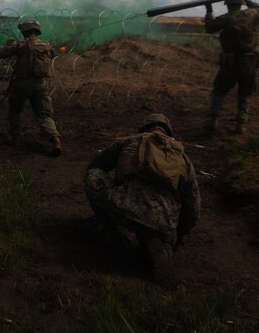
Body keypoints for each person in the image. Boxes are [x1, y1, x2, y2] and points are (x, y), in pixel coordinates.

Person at [84, 113, 200, 283]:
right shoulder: (183, 158)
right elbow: (194, 208)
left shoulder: (129, 141)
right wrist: (177, 236)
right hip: (166, 221)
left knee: (93, 177)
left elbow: (95, 166)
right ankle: (164, 246)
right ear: (168, 133)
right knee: (161, 230)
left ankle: (115, 237)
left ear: (144, 128)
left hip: (127, 208)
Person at [0, 19, 62, 156]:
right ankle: (56, 142)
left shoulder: (21, 45)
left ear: (24, 31)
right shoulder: (47, 45)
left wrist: (11, 44)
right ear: (37, 31)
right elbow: (53, 54)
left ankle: (16, 138)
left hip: (22, 84)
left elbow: (0, 53)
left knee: (15, 111)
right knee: (44, 115)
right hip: (40, 84)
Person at [204, 0, 259, 134]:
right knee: (245, 94)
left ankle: (213, 120)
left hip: (229, 63)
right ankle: (240, 124)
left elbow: (209, 28)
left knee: (219, 92)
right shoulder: (252, 15)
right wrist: (248, 0)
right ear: (241, 3)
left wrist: (209, 10)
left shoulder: (225, 18)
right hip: (248, 63)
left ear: (227, 4)